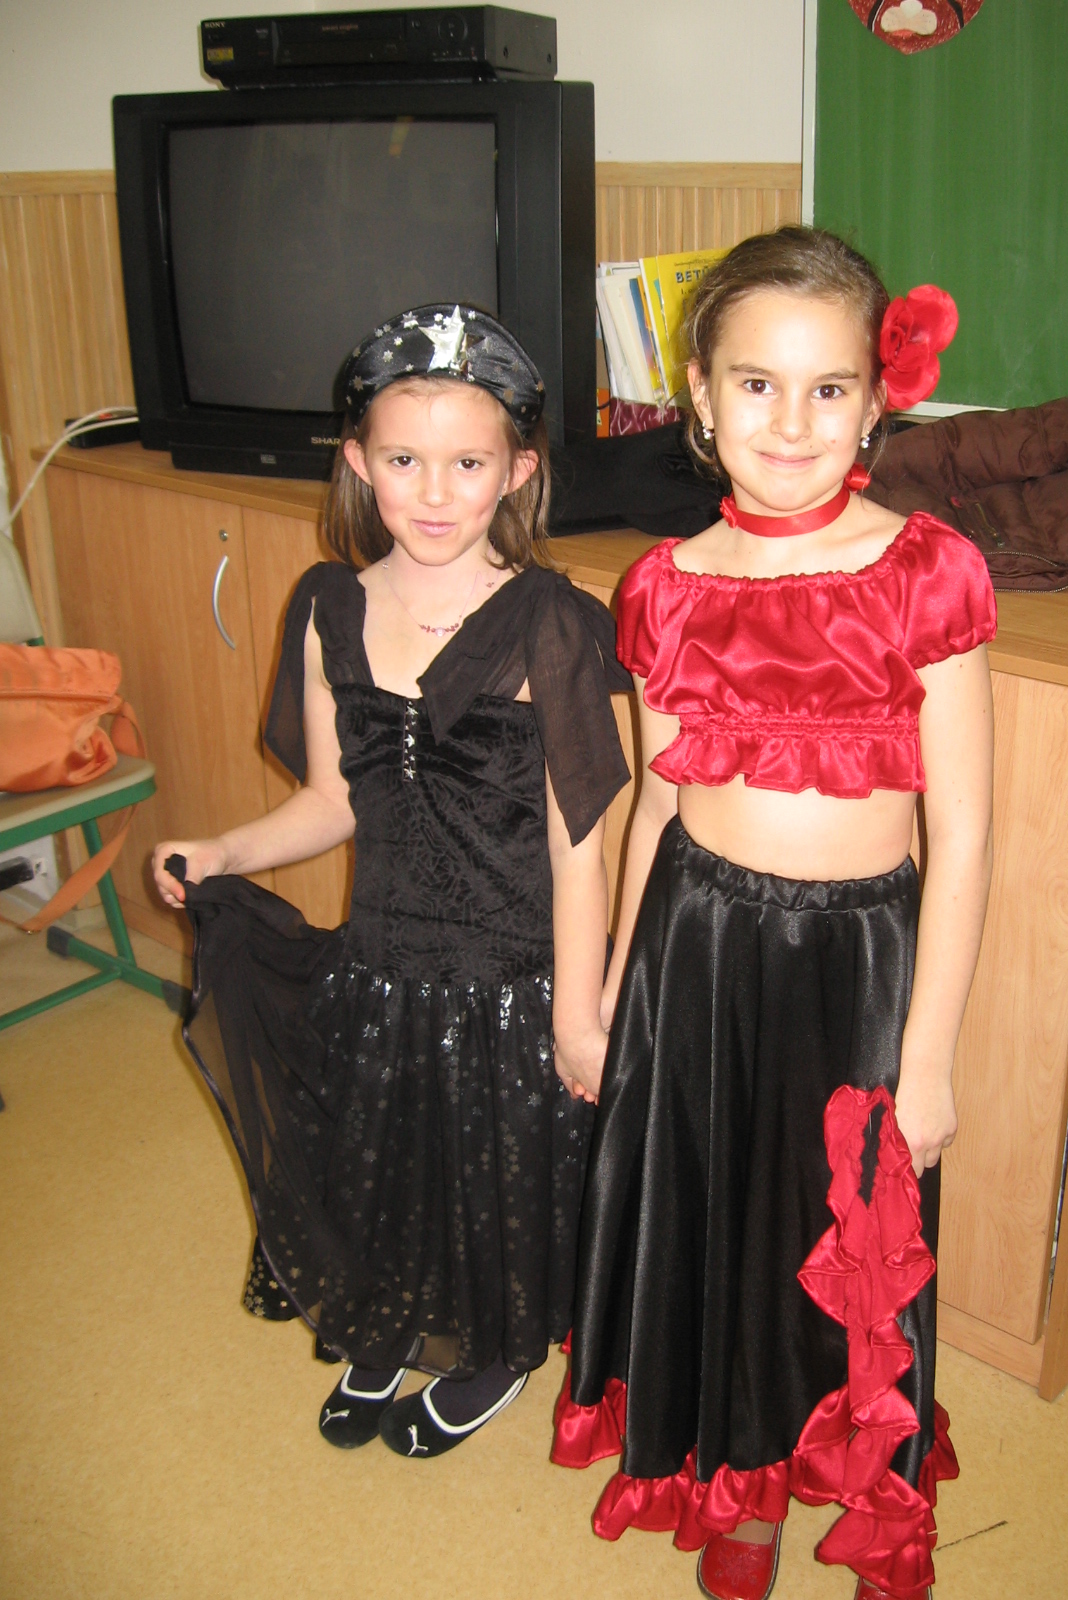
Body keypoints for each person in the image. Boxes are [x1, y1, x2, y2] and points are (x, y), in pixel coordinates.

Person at [551, 228, 995, 1600]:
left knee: (854, 1244)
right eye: (757, 384)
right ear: (699, 395)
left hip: (861, 963)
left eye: (826, 388)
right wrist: (612, 996)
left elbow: (965, 832)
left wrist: (929, 1056)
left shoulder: (927, 570)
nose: (790, 421)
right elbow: (658, 806)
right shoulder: (663, 586)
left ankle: (873, 1498)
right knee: (722, 1228)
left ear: (876, 400)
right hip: (696, 951)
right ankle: (742, 1483)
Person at [152, 305, 630, 1457]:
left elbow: (583, 845)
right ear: (360, 463)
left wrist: (577, 1016)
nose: (434, 491)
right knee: (392, 1164)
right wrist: (223, 852)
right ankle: (392, 1316)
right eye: (405, 460)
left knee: (494, 1182)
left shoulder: (553, 624)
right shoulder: (330, 604)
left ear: (517, 472)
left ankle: (498, 1348)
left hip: (512, 977)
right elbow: (333, 801)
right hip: (381, 961)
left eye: (468, 464)